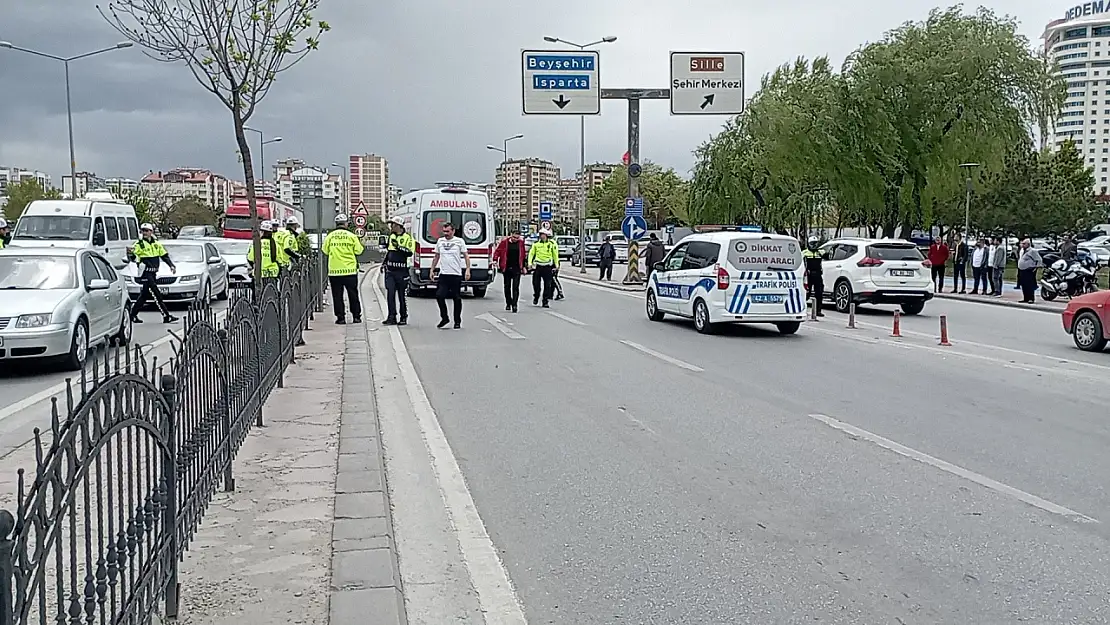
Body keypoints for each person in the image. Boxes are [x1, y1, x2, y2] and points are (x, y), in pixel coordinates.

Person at [128, 222, 179, 324]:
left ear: (151, 232)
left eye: (147, 230)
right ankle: (166, 315)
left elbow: (164, 256)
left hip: (153, 273)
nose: (145, 233)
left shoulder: (156, 244)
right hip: (146, 273)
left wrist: (171, 265)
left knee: (144, 296)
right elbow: (132, 256)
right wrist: (131, 254)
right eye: (143, 231)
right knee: (156, 294)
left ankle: (132, 315)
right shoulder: (139, 244)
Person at [322, 214, 365, 324]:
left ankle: (340, 318)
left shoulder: (330, 236)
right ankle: (356, 316)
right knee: (353, 295)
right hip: (350, 271)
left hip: (335, 271)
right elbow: (359, 251)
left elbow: (325, 251)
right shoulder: (351, 236)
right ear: (346, 224)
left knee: (337, 296)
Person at [431, 222, 470, 328]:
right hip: (444, 274)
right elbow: (436, 256)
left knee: (456, 298)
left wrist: (467, 270)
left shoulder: (459, 241)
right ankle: (445, 318)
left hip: (455, 274)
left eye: (448, 231)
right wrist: (432, 270)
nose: (446, 234)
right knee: (439, 295)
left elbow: (466, 256)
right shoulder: (440, 241)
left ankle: (457, 321)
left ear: (453, 231)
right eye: (444, 231)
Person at [381, 216, 415, 325]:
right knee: (390, 294)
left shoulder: (407, 238)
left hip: (401, 271)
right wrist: (384, 263)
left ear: (398, 226)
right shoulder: (391, 237)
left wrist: (399, 247)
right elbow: (390, 252)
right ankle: (391, 316)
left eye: (393, 225)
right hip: (390, 271)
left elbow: (409, 252)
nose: (391, 227)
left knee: (401, 295)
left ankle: (403, 316)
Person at [493, 231, 526, 312]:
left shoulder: (521, 243)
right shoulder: (504, 242)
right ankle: (508, 302)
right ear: (511, 235)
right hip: (506, 267)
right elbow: (498, 251)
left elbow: (523, 255)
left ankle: (514, 305)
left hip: (517, 268)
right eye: (514, 237)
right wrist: (495, 260)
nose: (515, 239)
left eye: (517, 238)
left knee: (515, 287)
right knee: (507, 287)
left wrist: (524, 267)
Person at [528, 228, 559, 308]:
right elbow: (531, 254)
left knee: (547, 285)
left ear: (547, 236)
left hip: (547, 266)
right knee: (536, 284)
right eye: (541, 235)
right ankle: (536, 296)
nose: (542, 236)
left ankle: (545, 301)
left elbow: (555, 255)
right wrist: (529, 263)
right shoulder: (536, 244)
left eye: (543, 235)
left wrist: (556, 265)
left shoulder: (551, 244)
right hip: (538, 266)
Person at [802, 236, 825, 317]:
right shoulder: (804, 253)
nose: (814, 245)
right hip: (808, 275)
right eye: (812, 243)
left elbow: (828, 255)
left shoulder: (820, 252)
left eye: (815, 243)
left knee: (819, 293)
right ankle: (802, 309)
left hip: (818, 275)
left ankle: (818, 310)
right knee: (807, 293)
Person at [1016, 238, 1042, 304]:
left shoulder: (1032, 251)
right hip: (1022, 269)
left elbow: (1039, 259)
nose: (1023, 245)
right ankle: (1025, 298)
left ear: (1028, 244)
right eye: (1022, 244)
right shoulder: (1022, 251)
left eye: (1024, 244)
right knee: (1024, 284)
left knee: (1029, 284)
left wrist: (1036, 267)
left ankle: (1031, 298)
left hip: (1029, 269)